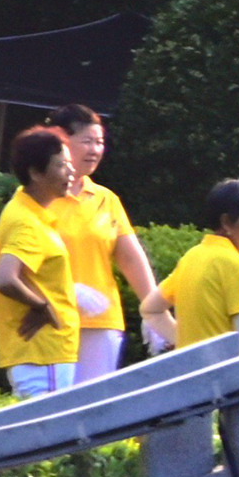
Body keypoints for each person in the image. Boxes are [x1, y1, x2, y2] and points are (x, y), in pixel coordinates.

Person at [42, 103, 156, 380]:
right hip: (50, 319)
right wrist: (68, 290)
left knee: (93, 408)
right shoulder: (38, 198)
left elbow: (131, 258)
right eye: (87, 141)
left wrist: (154, 309)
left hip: (101, 322)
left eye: (100, 142)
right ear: (62, 141)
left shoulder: (106, 199)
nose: (95, 150)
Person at [0, 127, 92, 400]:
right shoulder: (27, 221)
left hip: (40, 353)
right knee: (51, 435)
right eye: (61, 165)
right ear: (35, 172)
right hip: (44, 353)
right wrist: (42, 306)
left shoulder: (26, 211)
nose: (70, 172)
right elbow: (4, 277)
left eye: (70, 164)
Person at [150, 180, 239, 352]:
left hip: (189, 369)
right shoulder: (235, 264)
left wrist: (183, 344)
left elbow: (151, 309)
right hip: (224, 372)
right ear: (226, 222)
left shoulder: (191, 256)